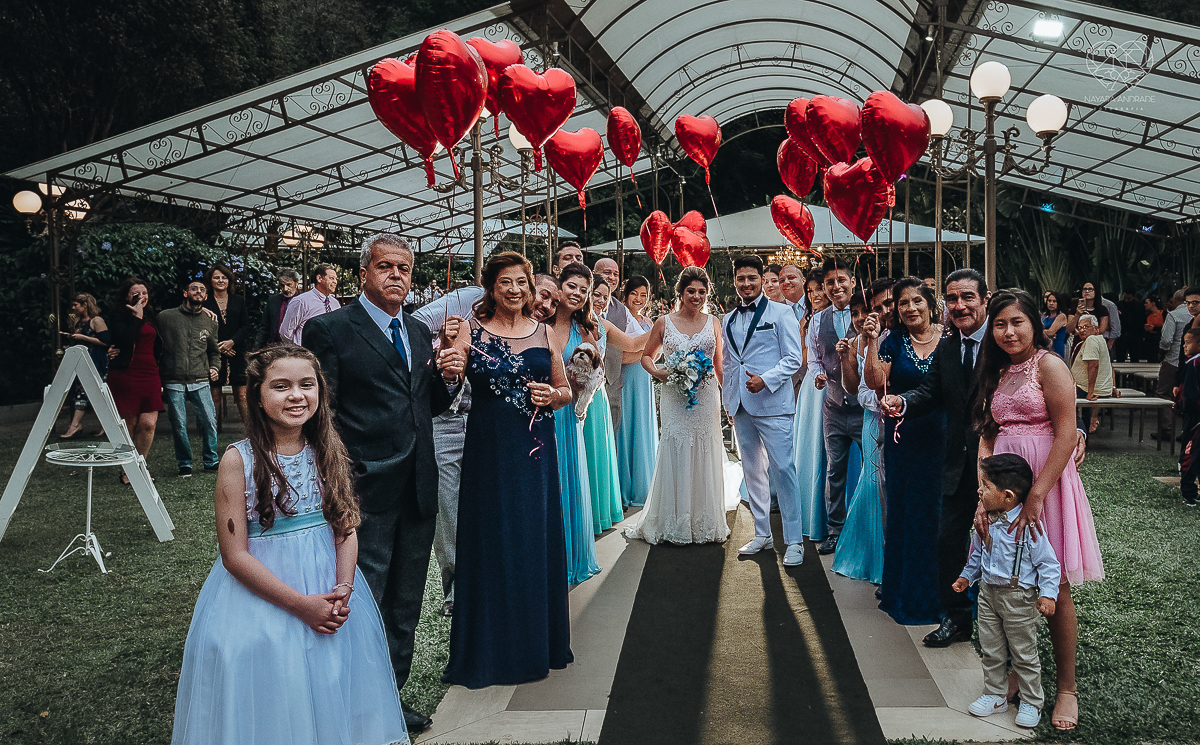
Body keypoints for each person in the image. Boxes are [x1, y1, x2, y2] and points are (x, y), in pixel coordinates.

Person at [170, 344, 409, 745]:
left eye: (306, 385)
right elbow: (234, 555)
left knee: (332, 679)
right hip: (266, 594)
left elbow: (345, 528)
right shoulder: (238, 461)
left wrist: (342, 590)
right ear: (257, 396)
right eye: (281, 386)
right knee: (279, 683)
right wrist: (301, 605)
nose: (296, 395)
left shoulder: (327, 451)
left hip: (330, 587)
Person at [303, 234, 464, 734]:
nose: (397, 275)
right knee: (363, 596)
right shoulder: (330, 329)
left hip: (419, 486)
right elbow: (321, 413)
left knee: (405, 601)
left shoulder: (418, 331)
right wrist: (340, 478)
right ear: (363, 274)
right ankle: (349, 702)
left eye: (405, 268)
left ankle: (390, 697)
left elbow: (425, 406)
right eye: (385, 266)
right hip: (364, 488)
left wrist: (450, 377)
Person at [973, 289, 1104, 732]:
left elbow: (1067, 434)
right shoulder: (995, 369)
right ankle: (1017, 671)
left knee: (1055, 581)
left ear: (1034, 323)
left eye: (1018, 322)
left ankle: (1066, 688)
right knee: (1007, 580)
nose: (1009, 332)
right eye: (1000, 324)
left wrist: (1038, 495)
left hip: (1046, 482)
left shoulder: (1049, 365)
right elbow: (988, 433)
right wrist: (983, 492)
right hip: (1003, 486)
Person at [444, 252, 574, 688]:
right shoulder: (469, 329)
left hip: (535, 452)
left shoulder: (544, 332)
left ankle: (536, 643)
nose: (516, 289)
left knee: (530, 538)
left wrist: (551, 396)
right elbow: (451, 378)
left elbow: (566, 391)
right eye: (506, 282)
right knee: (491, 539)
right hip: (488, 450)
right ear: (491, 286)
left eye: (523, 282)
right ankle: (489, 648)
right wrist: (448, 364)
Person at [954, 453, 1061, 730]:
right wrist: (967, 577)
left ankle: (1031, 701)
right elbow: (977, 556)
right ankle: (994, 694)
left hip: (1019, 599)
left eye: (985, 486)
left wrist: (1048, 595)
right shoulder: (984, 523)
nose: (979, 490)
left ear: (1008, 496)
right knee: (991, 649)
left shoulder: (1029, 527)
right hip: (988, 595)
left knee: (1024, 653)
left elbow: (1049, 564)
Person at [625, 267, 730, 545]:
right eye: (690, 291)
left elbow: (719, 364)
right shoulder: (663, 322)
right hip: (674, 396)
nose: (696, 296)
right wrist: (659, 373)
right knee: (676, 448)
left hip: (706, 397)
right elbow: (647, 356)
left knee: (706, 449)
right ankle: (674, 521)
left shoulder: (714, 323)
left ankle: (704, 521)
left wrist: (729, 398)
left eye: (701, 291)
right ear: (681, 293)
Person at [864, 277, 947, 625]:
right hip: (902, 439)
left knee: (937, 514)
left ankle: (942, 592)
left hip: (943, 439)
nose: (910, 308)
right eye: (902, 303)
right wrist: (871, 341)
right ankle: (903, 591)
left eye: (917, 301)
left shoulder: (949, 338)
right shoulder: (893, 341)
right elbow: (874, 381)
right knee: (903, 511)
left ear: (930, 303)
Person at [721, 255, 806, 565]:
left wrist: (766, 380)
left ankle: (795, 540)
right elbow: (730, 363)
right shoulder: (728, 318)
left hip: (774, 404)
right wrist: (729, 402)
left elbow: (794, 359)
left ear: (762, 279)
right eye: (741, 279)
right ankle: (762, 533)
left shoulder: (782, 313)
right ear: (735, 281)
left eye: (752, 279)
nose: (746, 284)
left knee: (784, 470)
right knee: (752, 471)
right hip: (741, 406)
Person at [412, 283, 486, 617]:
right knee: (447, 500)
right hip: (446, 416)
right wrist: (441, 341)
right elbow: (414, 323)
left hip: (488, 419)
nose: (510, 289)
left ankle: (488, 578)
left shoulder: (519, 318)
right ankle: (456, 586)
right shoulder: (465, 299)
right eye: (502, 280)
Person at [546, 264, 602, 585]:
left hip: (569, 417)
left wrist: (584, 395)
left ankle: (570, 557)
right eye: (572, 286)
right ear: (559, 286)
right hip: (544, 413)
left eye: (583, 290)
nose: (577, 294)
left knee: (569, 480)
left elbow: (595, 377)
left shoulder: (586, 333)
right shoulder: (539, 323)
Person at [833, 283, 891, 584]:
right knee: (872, 485)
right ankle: (872, 559)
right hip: (873, 418)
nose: (860, 318)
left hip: (899, 417)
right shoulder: (856, 343)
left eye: (865, 311)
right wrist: (845, 358)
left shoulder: (897, 337)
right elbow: (855, 390)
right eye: (854, 313)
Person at [582, 276, 646, 533]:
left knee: (599, 453)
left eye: (604, 296)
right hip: (575, 397)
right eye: (595, 294)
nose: (599, 300)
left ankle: (598, 513)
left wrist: (665, 327)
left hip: (598, 397)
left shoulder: (603, 323)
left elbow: (632, 344)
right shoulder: (569, 322)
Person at [812, 257, 861, 555]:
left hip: (863, 407)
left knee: (874, 470)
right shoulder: (818, 318)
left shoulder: (865, 315)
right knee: (835, 470)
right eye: (830, 282)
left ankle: (870, 530)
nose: (836, 286)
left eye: (841, 280)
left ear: (852, 282)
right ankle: (834, 531)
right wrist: (819, 372)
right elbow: (816, 355)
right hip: (833, 405)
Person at [158, 280, 222, 477]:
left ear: (206, 297)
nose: (199, 292)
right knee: (178, 423)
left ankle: (211, 460)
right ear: (185, 293)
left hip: (200, 378)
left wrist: (214, 367)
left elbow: (214, 351)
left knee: (210, 421)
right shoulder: (165, 317)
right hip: (173, 378)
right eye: (194, 288)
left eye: (203, 290)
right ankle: (184, 462)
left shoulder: (210, 320)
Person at [107, 278, 165, 481]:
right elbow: (124, 339)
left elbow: (159, 345)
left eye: (144, 292)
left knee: (148, 423)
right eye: (136, 293)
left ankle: (141, 466)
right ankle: (127, 470)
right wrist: (136, 317)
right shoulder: (118, 316)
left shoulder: (151, 316)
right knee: (129, 423)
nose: (142, 297)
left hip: (150, 372)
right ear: (126, 296)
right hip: (126, 373)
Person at [615, 276, 658, 508]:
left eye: (643, 295)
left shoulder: (649, 322)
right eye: (635, 294)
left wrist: (645, 356)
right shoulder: (620, 318)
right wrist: (642, 355)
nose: (639, 299)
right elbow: (618, 356)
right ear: (626, 293)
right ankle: (625, 487)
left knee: (643, 425)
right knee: (626, 426)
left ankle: (644, 485)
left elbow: (656, 354)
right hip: (626, 378)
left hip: (645, 379)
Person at [594, 258, 638, 433]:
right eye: (607, 272)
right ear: (593, 274)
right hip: (582, 386)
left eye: (616, 274)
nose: (611, 277)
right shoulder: (579, 310)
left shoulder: (621, 309)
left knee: (608, 437)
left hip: (611, 384)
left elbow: (637, 342)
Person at [203, 264, 250, 426]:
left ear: (229, 281)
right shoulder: (204, 301)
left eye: (224, 277)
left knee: (242, 394)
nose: (220, 280)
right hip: (213, 352)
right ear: (210, 280)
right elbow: (200, 328)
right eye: (216, 277)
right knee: (214, 394)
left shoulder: (239, 300)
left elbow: (245, 326)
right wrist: (217, 346)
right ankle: (212, 431)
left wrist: (232, 342)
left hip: (236, 351)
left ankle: (250, 431)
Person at [59, 293, 110, 439]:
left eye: (76, 305)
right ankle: (102, 426)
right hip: (81, 359)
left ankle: (76, 425)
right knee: (83, 391)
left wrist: (84, 338)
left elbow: (105, 341)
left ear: (85, 305)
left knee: (91, 391)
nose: (73, 308)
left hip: (95, 360)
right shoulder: (76, 320)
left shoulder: (97, 320)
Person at [1070, 314, 1114, 433]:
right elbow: (1110, 366)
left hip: (1086, 389)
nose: (1082, 330)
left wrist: (1090, 392)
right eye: (1080, 327)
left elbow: (1093, 365)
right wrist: (1113, 387)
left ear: (1095, 328)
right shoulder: (1101, 339)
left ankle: (1080, 435)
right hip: (1092, 388)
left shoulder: (1091, 340)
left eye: (1086, 326)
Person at [281, 264, 341, 345]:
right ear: (319, 278)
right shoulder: (301, 302)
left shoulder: (335, 303)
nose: (335, 282)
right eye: (331, 278)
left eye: (336, 279)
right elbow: (285, 333)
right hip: (306, 354)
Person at [1175, 328, 1200, 507]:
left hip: (1193, 417)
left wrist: (1181, 406)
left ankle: (1189, 493)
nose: (1184, 346)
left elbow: (1190, 396)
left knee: (1190, 454)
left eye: (1188, 342)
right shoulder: (1192, 362)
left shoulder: (1194, 363)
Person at [254, 268, 299, 349]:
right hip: (276, 346)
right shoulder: (273, 301)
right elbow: (265, 327)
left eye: (289, 285)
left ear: (296, 283)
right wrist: (258, 348)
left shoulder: (304, 300)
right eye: (282, 285)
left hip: (297, 347)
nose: (285, 289)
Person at [1042, 292, 1069, 359]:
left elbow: (1050, 332)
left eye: (1054, 301)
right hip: (1045, 346)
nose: (1051, 303)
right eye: (1049, 301)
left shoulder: (1061, 316)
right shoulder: (1044, 315)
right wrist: (1045, 332)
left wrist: (1043, 332)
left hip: (1057, 346)